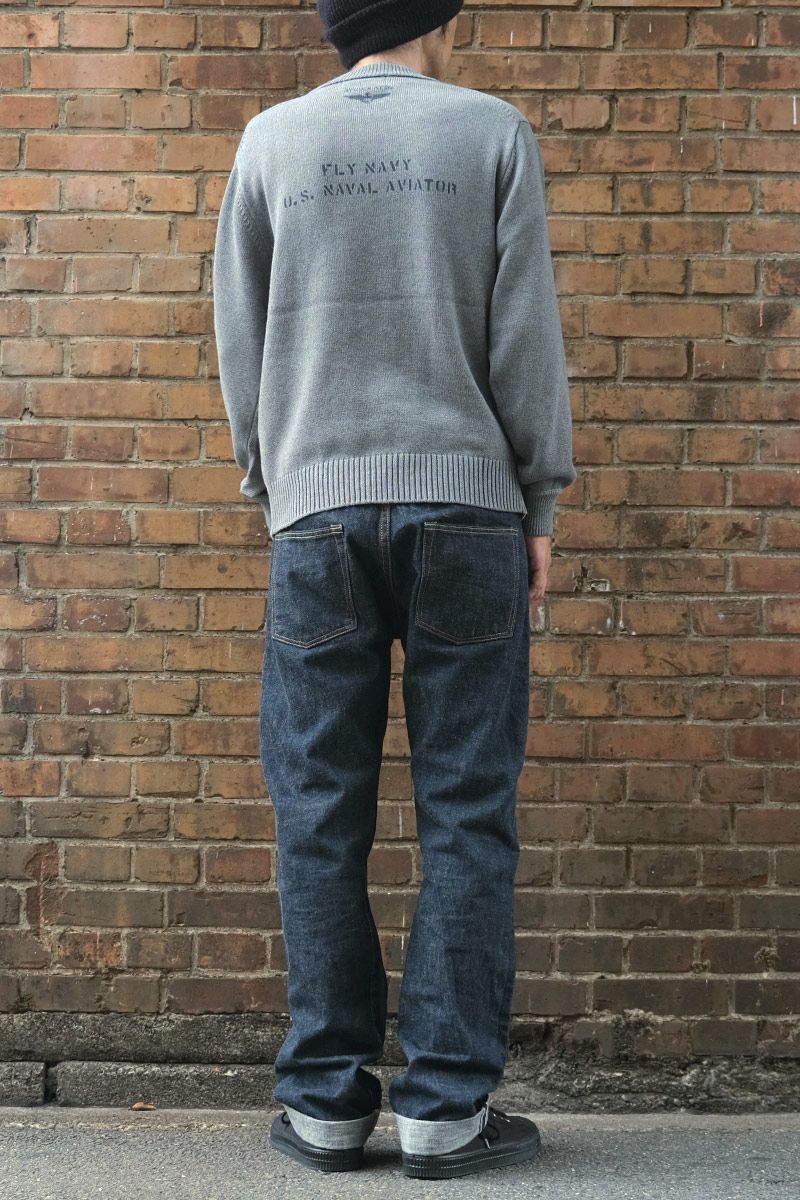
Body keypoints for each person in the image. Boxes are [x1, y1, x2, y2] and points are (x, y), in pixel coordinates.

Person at [212, 0, 576, 1180]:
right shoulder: (488, 131)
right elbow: (523, 336)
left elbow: (239, 336)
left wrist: (278, 487)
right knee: (465, 807)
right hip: (467, 507)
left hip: (316, 511)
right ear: (440, 16)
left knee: (318, 808)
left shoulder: (272, 140)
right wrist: (538, 502)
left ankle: (324, 1105)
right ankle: (443, 1110)